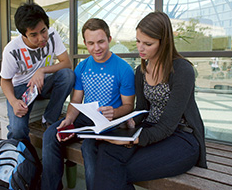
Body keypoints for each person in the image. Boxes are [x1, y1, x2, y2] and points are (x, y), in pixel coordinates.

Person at [83, 11, 207, 190]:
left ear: (163, 43)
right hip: (150, 130)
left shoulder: (182, 70)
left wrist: (132, 140)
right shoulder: (141, 71)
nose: (140, 48)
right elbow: (142, 109)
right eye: (138, 41)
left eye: (147, 44)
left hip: (181, 137)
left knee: (116, 168)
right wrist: (130, 122)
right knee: (107, 153)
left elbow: (167, 125)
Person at [41, 18, 135, 190]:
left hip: (109, 122)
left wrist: (113, 112)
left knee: (90, 149)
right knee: (51, 135)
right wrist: (69, 120)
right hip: (86, 118)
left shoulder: (124, 69)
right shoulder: (82, 67)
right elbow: (76, 100)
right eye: (91, 43)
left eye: (101, 42)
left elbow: (129, 106)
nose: (96, 48)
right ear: (85, 43)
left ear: (109, 39)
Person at [0, 2, 75, 141]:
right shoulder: (12, 50)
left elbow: (67, 63)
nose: (41, 38)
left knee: (68, 75)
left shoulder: (52, 35)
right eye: (34, 35)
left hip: (43, 84)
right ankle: (25, 159)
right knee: (17, 130)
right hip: (21, 89)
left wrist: (42, 70)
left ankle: (49, 119)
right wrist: (13, 101)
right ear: (24, 35)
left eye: (43, 31)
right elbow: (5, 80)